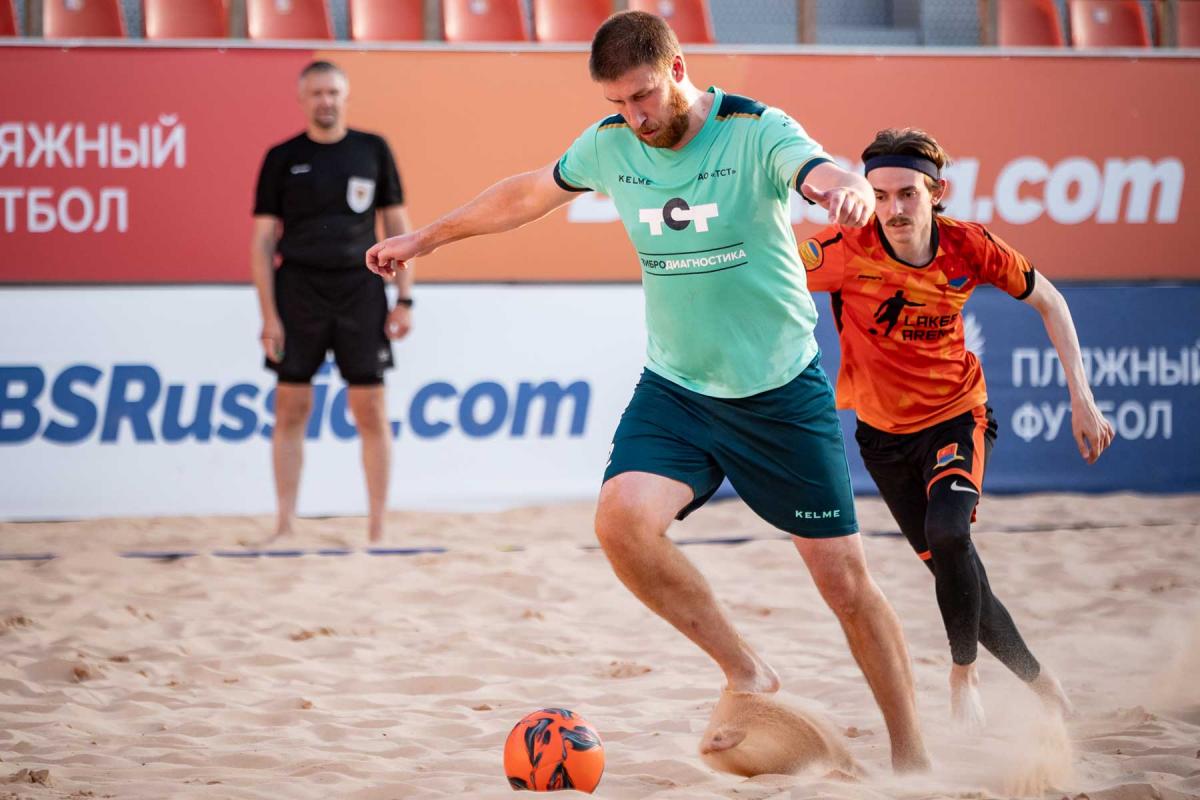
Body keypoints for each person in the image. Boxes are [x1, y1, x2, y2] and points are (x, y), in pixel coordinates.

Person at [365, 12, 930, 772]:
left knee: (846, 586)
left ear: (677, 69)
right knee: (620, 523)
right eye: (617, 103)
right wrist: (423, 239)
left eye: (642, 97)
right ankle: (746, 672)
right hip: (679, 387)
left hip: (778, 393)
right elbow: (526, 194)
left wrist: (848, 189)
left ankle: (913, 758)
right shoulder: (610, 144)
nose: (633, 116)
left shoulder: (753, 129)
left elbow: (817, 170)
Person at [799, 127, 1115, 729]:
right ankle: (1045, 686)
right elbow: (767, 276)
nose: (893, 209)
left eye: (907, 194)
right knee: (957, 573)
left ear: (936, 192)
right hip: (881, 438)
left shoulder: (970, 245)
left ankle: (962, 671)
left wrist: (1083, 398)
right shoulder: (843, 247)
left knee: (948, 533)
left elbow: (1051, 301)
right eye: (880, 196)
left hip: (956, 414)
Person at [250, 60, 413, 544]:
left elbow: (398, 228)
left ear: (345, 97)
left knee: (371, 408)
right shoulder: (282, 157)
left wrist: (405, 299)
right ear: (302, 100)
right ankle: (284, 524)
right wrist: (269, 316)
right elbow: (262, 243)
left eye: (333, 92)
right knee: (290, 407)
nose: (325, 101)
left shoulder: (372, 149)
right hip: (297, 292)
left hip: (361, 291)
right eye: (317, 93)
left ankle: (377, 528)